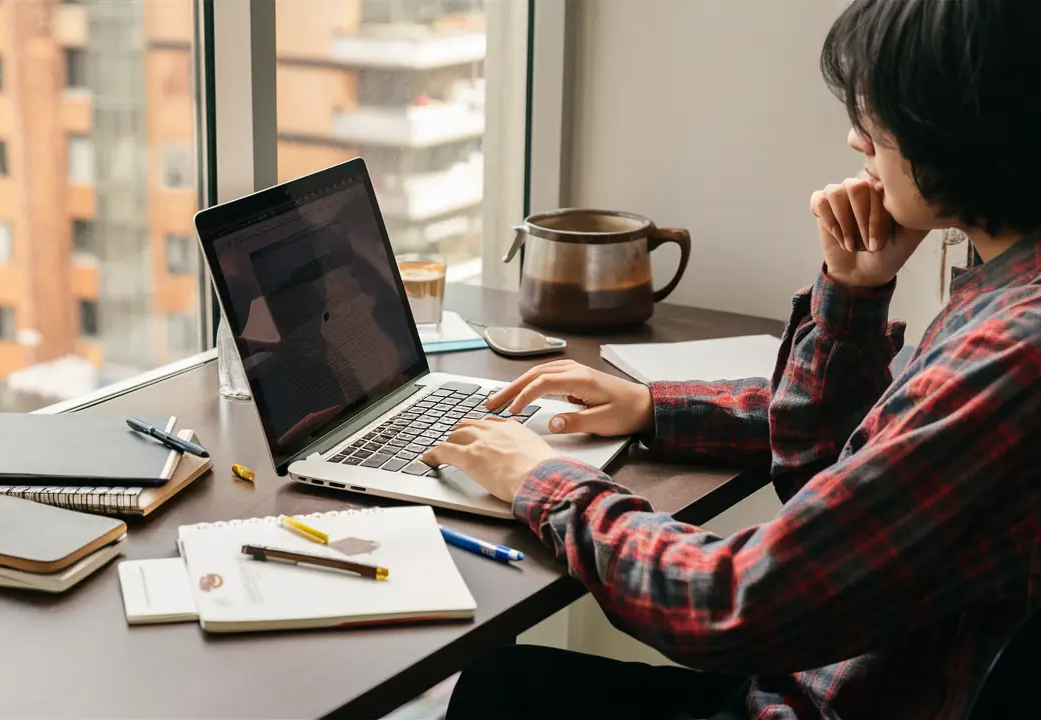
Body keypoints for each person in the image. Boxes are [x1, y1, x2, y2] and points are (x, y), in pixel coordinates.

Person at [426, 1, 1041, 717]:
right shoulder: (1005, 298)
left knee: (501, 695)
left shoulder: (1013, 353)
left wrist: (543, 480)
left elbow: (740, 604)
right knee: (503, 683)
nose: (854, 140)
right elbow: (845, 464)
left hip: (819, 700)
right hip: (830, 684)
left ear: (962, 122)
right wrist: (849, 293)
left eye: (878, 115)